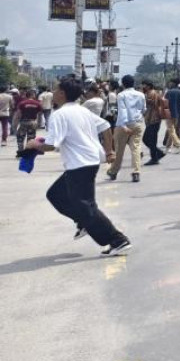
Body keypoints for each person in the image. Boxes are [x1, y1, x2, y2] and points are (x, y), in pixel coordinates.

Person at [22, 77, 131, 255]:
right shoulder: (82, 110)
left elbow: (51, 145)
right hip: (85, 162)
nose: (53, 93)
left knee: (87, 206)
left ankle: (117, 240)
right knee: (56, 195)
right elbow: (105, 126)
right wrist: (109, 150)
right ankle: (83, 222)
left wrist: (34, 145)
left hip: (80, 164)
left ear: (62, 93)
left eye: (56, 90)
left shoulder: (59, 114)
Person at [109, 74, 145, 182]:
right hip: (137, 123)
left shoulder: (121, 95)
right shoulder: (141, 95)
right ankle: (136, 171)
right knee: (136, 148)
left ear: (123, 84)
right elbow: (144, 109)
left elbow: (122, 110)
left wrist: (123, 125)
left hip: (123, 124)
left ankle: (114, 171)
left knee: (119, 150)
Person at [162, 79, 180, 153]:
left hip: (169, 114)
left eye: (170, 83)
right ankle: (167, 147)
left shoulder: (169, 92)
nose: (169, 84)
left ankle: (179, 145)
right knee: (172, 130)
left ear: (173, 83)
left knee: (171, 130)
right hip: (177, 115)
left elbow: (165, 103)